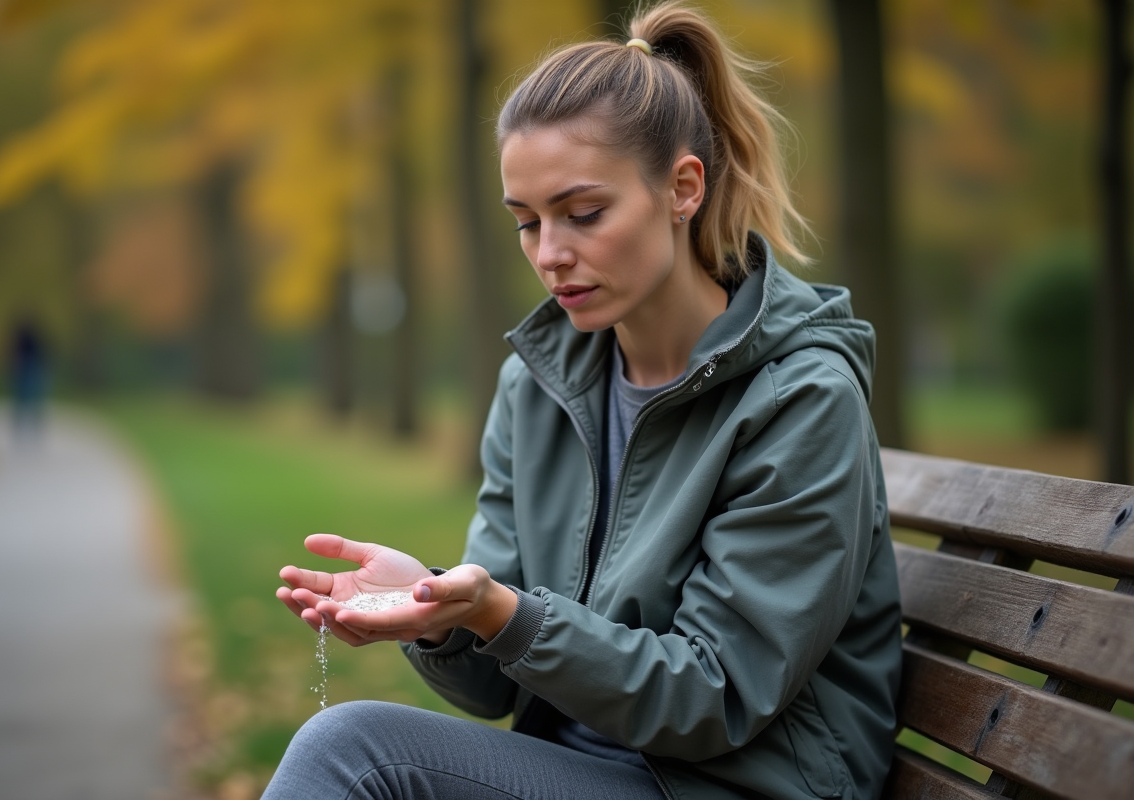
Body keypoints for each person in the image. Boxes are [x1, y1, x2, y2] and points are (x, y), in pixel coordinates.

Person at [268, 3, 902, 798]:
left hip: (729, 786)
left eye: (584, 213)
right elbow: (495, 691)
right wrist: (438, 613)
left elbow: (715, 696)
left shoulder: (801, 401)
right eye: (527, 223)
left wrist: (501, 614)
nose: (551, 254)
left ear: (682, 188)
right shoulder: (537, 385)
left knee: (355, 752)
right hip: (582, 773)